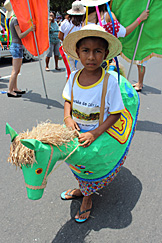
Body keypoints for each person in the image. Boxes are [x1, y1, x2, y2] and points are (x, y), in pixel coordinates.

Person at [62, 24, 124, 223]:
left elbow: (115, 114)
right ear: (78, 53)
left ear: (105, 54)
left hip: (98, 134)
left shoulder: (109, 82)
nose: (91, 57)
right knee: (77, 164)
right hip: (75, 133)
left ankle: (87, 198)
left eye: (97, 51)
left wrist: (95, 133)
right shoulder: (73, 77)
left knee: (90, 166)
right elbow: (68, 100)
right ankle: (83, 188)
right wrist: (68, 118)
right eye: (86, 51)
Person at [81, 0, 149, 92]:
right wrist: (140, 19)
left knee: (92, 86)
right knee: (106, 88)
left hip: (88, 59)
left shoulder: (85, 19)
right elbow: (123, 32)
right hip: (105, 58)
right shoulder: (107, 15)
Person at [4, 0, 36, 98]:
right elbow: (20, 35)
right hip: (17, 46)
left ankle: (14, 88)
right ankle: (10, 90)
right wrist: (30, 29)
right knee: (15, 70)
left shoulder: (11, 20)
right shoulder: (15, 20)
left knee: (16, 70)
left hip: (16, 45)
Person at [58, 1, 86, 78]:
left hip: (67, 50)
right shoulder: (85, 23)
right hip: (81, 51)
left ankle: (71, 88)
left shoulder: (65, 22)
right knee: (81, 72)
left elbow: (60, 36)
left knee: (70, 72)